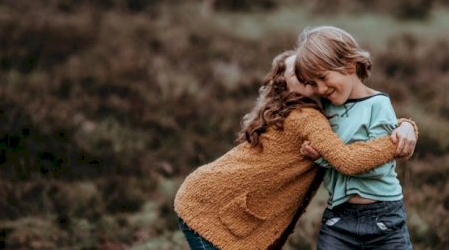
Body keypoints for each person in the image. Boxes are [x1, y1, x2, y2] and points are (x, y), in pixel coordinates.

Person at [174, 50, 418, 250]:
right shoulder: (306, 117)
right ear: (285, 84)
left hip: (205, 199)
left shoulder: (316, 111)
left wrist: (406, 125)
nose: (305, 71)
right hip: (208, 207)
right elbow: (348, 158)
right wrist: (395, 142)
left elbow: (356, 127)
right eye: (297, 71)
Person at [295, 25, 415, 249]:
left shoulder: (378, 104)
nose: (320, 88)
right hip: (339, 219)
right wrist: (318, 156)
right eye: (313, 83)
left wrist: (325, 157)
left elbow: (377, 165)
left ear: (349, 65)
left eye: (323, 77)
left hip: (384, 218)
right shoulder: (326, 109)